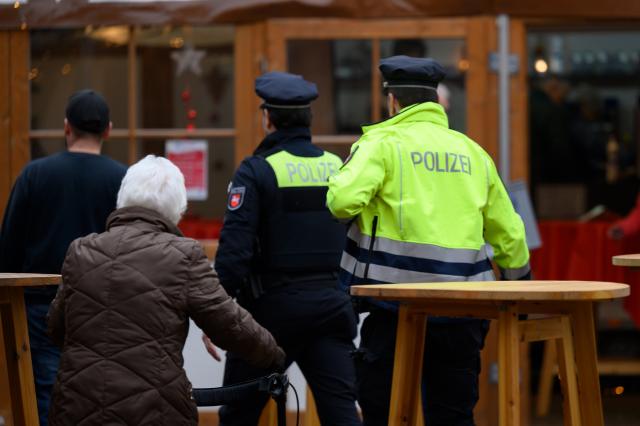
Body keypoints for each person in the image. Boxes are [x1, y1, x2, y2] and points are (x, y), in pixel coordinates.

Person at [326, 56, 531, 426]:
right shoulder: (473, 152)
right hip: (464, 308)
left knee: (384, 412)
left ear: (393, 101)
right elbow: (509, 233)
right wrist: (521, 288)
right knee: (452, 415)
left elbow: (341, 203)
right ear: (435, 100)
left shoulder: (380, 143)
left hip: (393, 306)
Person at [47, 155, 285, 425]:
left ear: (123, 197)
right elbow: (230, 325)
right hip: (153, 411)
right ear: (177, 209)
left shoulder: (80, 251)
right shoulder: (183, 256)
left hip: (75, 409)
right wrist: (274, 354)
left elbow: (57, 328)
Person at [212, 71, 361, 426]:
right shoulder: (337, 167)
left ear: (268, 119)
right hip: (330, 309)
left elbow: (235, 250)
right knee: (342, 416)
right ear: (309, 118)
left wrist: (216, 307)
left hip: (270, 316)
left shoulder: (257, 170)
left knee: (238, 416)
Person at [0, 90, 127, 425]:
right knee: (102, 397)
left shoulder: (35, 175)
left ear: (66, 128)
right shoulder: (122, 180)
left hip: (41, 306)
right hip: (105, 305)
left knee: (47, 399)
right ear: (108, 130)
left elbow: (9, 248)